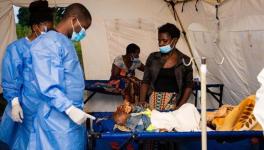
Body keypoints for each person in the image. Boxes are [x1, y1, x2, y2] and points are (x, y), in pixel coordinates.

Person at [3, 3, 95, 150]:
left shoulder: (61, 41)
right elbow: (47, 84)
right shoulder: (45, 44)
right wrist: (69, 108)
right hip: (50, 113)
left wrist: (73, 107)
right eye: (82, 27)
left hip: (60, 111)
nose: (82, 32)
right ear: (73, 19)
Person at [0, 0, 54, 147]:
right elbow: (10, 80)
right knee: (23, 142)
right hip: (24, 107)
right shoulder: (16, 49)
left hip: (47, 107)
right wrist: (15, 104)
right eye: (46, 30)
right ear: (35, 27)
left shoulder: (51, 48)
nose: (49, 34)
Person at [140, 23, 193, 111]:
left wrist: (180, 106)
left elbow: (189, 85)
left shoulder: (185, 60)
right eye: (159, 40)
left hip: (174, 104)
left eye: (164, 41)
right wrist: (142, 101)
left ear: (174, 40)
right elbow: (145, 81)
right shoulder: (153, 58)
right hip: (152, 102)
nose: (160, 44)